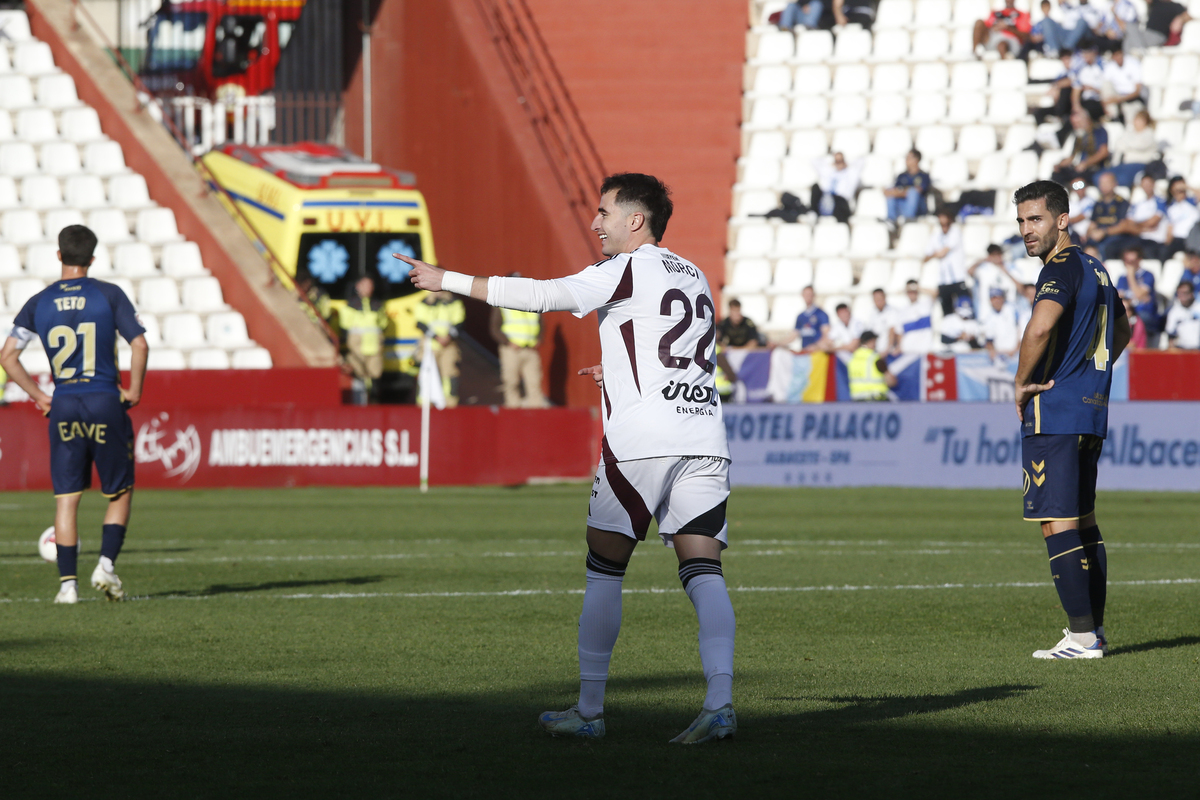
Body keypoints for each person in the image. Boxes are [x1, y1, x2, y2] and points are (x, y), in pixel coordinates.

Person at [395, 173, 737, 744]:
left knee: (604, 566)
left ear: (635, 221)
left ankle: (589, 710)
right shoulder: (695, 273)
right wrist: (622, 373)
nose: (596, 223)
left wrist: (446, 279)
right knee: (703, 570)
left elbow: (542, 295)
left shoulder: (626, 268)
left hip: (642, 442)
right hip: (704, 435)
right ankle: (721, 703)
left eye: (604, 212)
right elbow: (674, 348)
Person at [1012, 179, 1130, 659]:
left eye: (1035, 219)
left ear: (1062, 219)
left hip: (1055, 410)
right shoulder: (1096, 268)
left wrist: (1021, 382)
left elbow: (1040, 326)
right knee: (1083, 521)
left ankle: (1081, 638)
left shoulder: (1059, 267)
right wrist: (1092, 371)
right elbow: (1122, 325)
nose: (1026, 230)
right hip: (1091, 408)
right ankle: (1093, 632)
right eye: (1021, 221)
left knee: (1055, 521)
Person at [0, 225, 148, 604]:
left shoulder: (39, 301)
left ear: (58, 255)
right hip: (103, 398)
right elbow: (139, 344)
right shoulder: (108, 294)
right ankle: (106, 566)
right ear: (93, 259)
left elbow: (8, 357)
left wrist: (40, 397)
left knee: (66, 497)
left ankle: (68, 587)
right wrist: (133, 390)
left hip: (64, 402)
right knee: (120, 491)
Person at [489, 275, 546, 408]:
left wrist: (539, 339)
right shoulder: (501, 303)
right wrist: (507, 342)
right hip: (511, 350)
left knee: (534, 382)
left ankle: (535, 412)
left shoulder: (532, 301)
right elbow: (494, 328)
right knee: (511, 382)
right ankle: (512, 409)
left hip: (530, 350)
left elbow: (541, 323)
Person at [339, 276, 388, 405]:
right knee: (358, 377)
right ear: (358, 286)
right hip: (357, 349)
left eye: (371, 285)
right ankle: (359, 405)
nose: (369, 288)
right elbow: (344, 327)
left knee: (375, 377)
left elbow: (383, 324)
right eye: (365, 285)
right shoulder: (350, 305)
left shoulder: (377, 305)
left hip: (374, 348)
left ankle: (373, 402)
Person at [415, 290, 465, 407]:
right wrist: (435, 337)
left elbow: (460, 321)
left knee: (450, 373)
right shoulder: (425, 302)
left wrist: (449, 336)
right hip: (429, 345)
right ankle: (424, 404)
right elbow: (420, 323)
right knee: (426, 373)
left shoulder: (454, 302)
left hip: (449, 345)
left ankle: (450, 403)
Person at [1114, 244, 1162, 346]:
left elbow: (1139, 294)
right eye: (1126, 261)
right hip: (1128, 313)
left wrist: (1131, 275)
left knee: (1140, 319)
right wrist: (1135, 298)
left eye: (1132, 261)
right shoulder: (1121, 278)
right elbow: (1119, 298)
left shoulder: (1148, 275)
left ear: (1139, 260)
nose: (1129, 264)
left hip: (1144, 313)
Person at [925, 210, 969, 316]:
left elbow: (942, 253)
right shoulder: (936, 235)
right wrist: (936, 253)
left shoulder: (955, 231)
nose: (943, 226)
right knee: (947, 313)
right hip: (943, 280)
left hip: (958, 278)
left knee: (965, 311)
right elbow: (925, 257)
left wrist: (935, 254)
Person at [1051, 108, 1110, 187]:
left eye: (1077, 123)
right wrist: (1060, 165)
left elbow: (1103, 153)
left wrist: (1086, 163)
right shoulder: (1079, 134)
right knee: (1057, 174)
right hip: (1078, 168)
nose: (1075, 126)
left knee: (1080, 175)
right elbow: (1073, 156)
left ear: (1086, 120)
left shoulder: (1099, 131)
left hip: (1093, 168)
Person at [1087, 171, 1132, 258]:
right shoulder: (1098, 204)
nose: (1103, 185)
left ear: (1115, 184)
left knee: (1105, 248)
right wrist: (1091, 233)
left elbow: (1124, 226)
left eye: (1107, 182)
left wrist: (1104, 232)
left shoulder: (1122, 203)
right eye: (1101, 183)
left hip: (1116, 238)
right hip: (1099, 237)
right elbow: (1092, 224)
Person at [1107, 110, 1157, 188]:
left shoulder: (1149, 134)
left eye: (1140, 120)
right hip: (1124, 164)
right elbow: (1118, 144)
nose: (1137, 122)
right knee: (1104, 176)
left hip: (1140, 164)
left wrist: (1126, 145)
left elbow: (1139, 145)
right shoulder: (1128, 133)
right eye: (1136, 119)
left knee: (1121, 180)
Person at [810, 151, 862, 224]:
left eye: (841, 161)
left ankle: (842, 225)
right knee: (815, 187)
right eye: (837, 161)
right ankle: (813, 214)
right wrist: (828, 154)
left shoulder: (850, 173)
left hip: (841, 204)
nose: (839, 164)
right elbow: (814, 161)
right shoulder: (828, 171)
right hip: (826, 201)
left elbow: (861, 161)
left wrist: (848, 165)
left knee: (839, 199)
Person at [883, 149, 931, 225]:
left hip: (918, 208)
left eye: (909, 158)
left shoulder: (923, 176)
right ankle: (891, 221)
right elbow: (891, 191)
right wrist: (903, 192)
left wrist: (901, 192)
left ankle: (909, 219)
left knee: (913, 193)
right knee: (890, 192)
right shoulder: (901, 176)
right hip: (902, 205)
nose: (906, 160)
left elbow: (918, 190)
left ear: (916, 160)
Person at [847, 331, 895, 400]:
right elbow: (891, 381)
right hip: (875, 398)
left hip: (857, 399)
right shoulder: (875, 358)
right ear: (871, 341)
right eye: (875, 342)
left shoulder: (852, 358)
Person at [1102, 49, 1146, 123]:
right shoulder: (1109, 67)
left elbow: (1137, 91)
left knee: (1130, 115)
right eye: (1115, 55)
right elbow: (1105, 88)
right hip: (1118, 98)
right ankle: (1112, 115)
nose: (1118, 58)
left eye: (1119, 54)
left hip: (1132, 99)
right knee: (1106, 85)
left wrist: (1119, 99)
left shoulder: (1133, 63)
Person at [1164, 177, 1200, 260]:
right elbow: (1170, 228)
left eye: (1181, 191)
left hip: (1192, 238)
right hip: (1177, 239)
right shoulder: (1170, 208)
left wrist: (1186, 186)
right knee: (1165, 252)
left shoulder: (1191, 202)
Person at [896, 279, 934, 354]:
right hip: (908, 350)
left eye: (914, 291)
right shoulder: (902, 310)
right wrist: (899, 346)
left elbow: (935, 293)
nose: (911, 294)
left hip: (924, 350)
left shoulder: (926, 304)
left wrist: (917, 287)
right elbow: (900, 332)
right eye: (909, 291)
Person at [983, 287, 1021, 359]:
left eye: (998, 298)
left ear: (1003, 298)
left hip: (1017, 353)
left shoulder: (1012, 310)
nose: (996, 301)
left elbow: (1021, 329)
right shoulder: (989, 317)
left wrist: (1017, 349)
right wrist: (992, 351)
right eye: (993, 298)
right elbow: (989, 339)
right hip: (1000, 355)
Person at [790, 285, 830, 352]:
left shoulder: (821, 314)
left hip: (818, 353)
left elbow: (827, 336)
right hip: (805, 352)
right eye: (806, 294)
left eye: (810, 294)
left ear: (814, 296)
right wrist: (779, 343)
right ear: (802, 295)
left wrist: (816, 346)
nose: (808, 296)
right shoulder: (800, 316)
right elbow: (794, 335)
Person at [1165, 281, 1200, 349]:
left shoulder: (1198, 308)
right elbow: (1170, 334)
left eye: (1185, 293)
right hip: (1182, 350)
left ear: (1191, 294)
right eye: (1179, 294)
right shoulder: (1174, 312)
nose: (1182, 297)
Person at [864, 288, 898, 353]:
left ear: (884, 298)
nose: (878, 301)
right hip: (875, 350)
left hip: (888, 351)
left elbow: (892, 331)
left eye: (879, 298)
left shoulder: (892, 312)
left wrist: (887, 349)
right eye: (876, 298)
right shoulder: (872, 313)